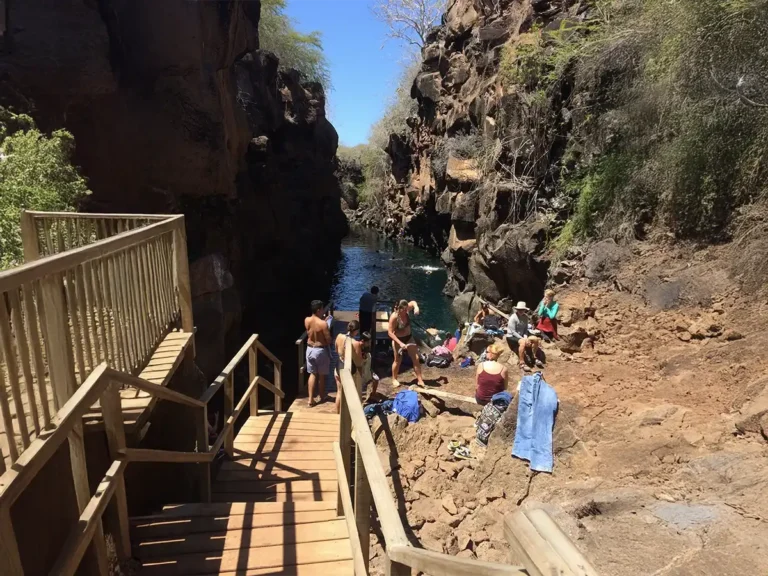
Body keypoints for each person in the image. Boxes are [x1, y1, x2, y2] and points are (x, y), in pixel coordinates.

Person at [388, 299, 425, 388]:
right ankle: (394, 379)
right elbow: (389, 332)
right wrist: (400, 343)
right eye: (404, 310)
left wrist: (416, 307)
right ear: (399, 309)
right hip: (398, 340)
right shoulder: (394, 317)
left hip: (409, 338)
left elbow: (413, 302)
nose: (406, 311)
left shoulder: (406, 308)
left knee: (416, 358)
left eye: (406, 309)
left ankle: (420, 380)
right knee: (398, 360)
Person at [305, 300, 332, 407]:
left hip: (309, 349)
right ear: (318, 310)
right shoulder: (323, 324)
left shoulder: (306, 320)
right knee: (321, 375)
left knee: (312, 374)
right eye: (322, 309)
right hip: (320, 350)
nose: (323, 311)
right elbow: (328, 340)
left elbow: (311, 330)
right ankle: (322, 395)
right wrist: (326, 325)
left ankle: (310, 399)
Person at [334, 320, 364, 413]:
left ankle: (337, 413)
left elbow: (336, 349)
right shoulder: (355, 343)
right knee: (350, 393)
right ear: (357, 331)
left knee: (339, 391)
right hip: (349, 369)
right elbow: (359, 362)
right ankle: (347, 416)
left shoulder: (339, 336)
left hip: (339, 364)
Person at [506, 301, 542, 371]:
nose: (521, 311)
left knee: (535, 339)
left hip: (522, 335)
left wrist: (525, 337)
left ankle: (534, 357)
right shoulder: (513, 318)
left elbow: (525, 329)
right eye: (519, 310)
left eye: (522, 310)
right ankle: (522, 363)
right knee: (522, 342)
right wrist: (524, 339)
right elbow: (513, 332)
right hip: (511, 336)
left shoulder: (525, 317)